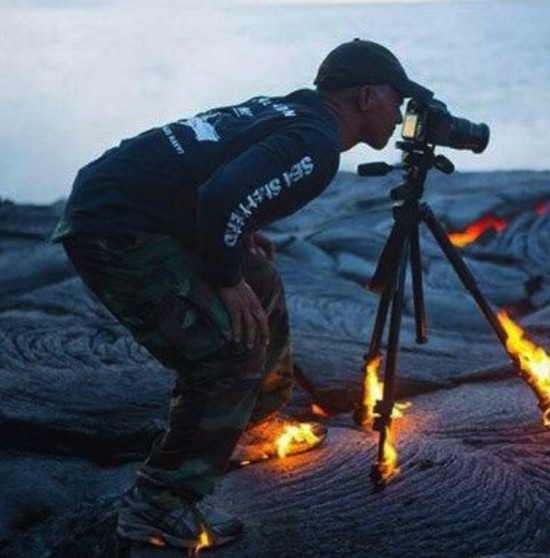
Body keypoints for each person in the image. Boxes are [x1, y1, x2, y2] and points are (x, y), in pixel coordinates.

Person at [51, 38, 432, 551]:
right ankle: (157, 507)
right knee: (228, 352)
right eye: (396, 98)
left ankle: (244, 424)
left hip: (130, 202)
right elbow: (220, 194)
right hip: (115, 228)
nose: (401, 110)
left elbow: (219, 172)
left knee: (261, 277)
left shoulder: (293, 108)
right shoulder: (316, 143)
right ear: (366, 97)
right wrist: (225, 278)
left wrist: (237, 237)